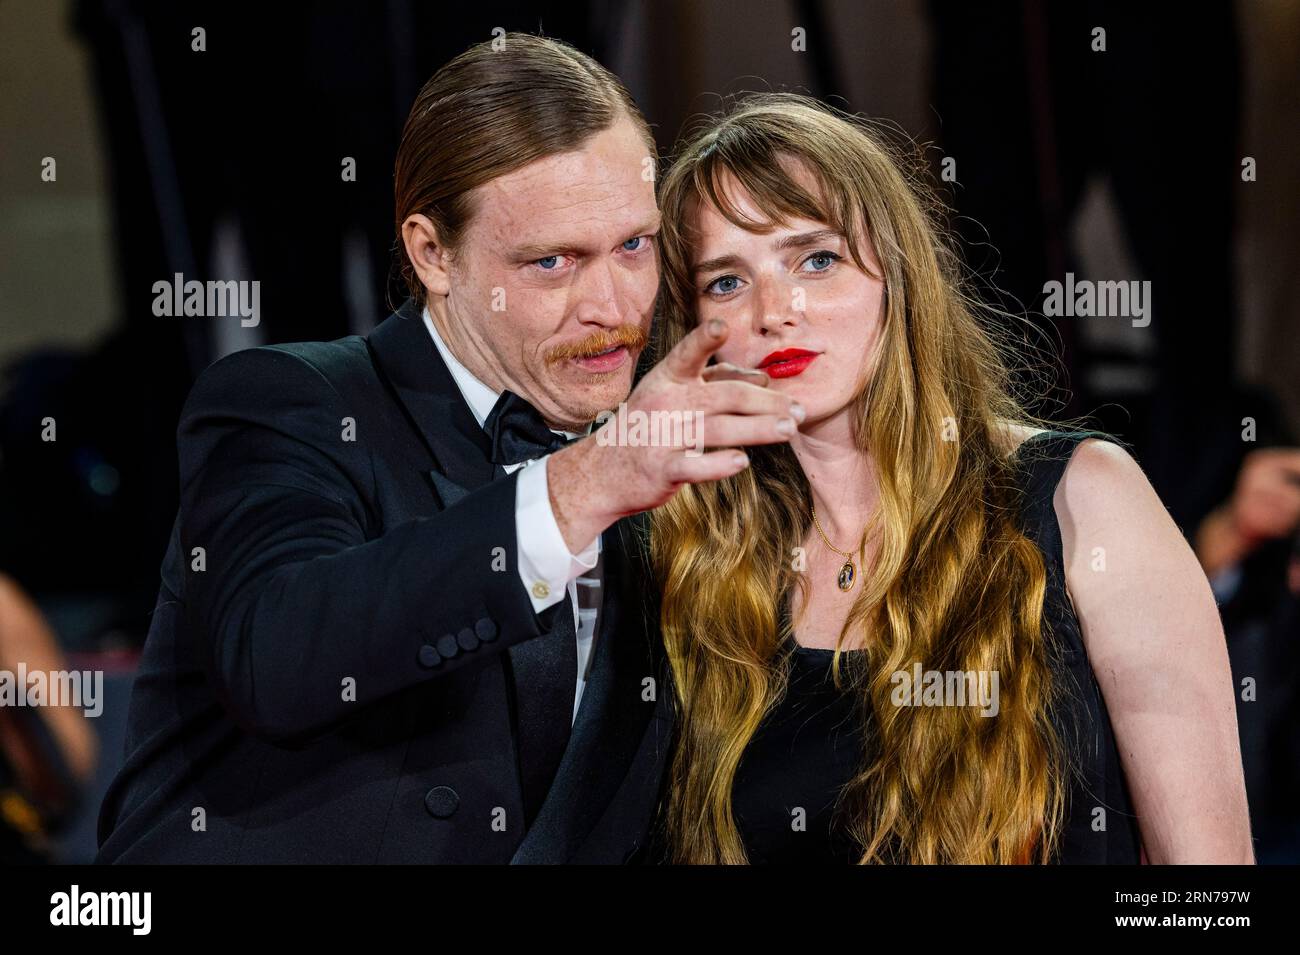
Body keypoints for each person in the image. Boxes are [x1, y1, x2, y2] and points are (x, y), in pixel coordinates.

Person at [95, 34, 801, 864]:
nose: (612, 306)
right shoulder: (287, 404)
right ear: (433, 253)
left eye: (634, 246)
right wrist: (580, 490)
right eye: (552, 262)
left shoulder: (680, 466)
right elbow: (276, 656)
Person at [643, 94, 1255, 864]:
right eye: (726, 282)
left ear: (898, 276)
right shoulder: (701, 561)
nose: (775, 311)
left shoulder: (1080, 499)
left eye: (816, 259)